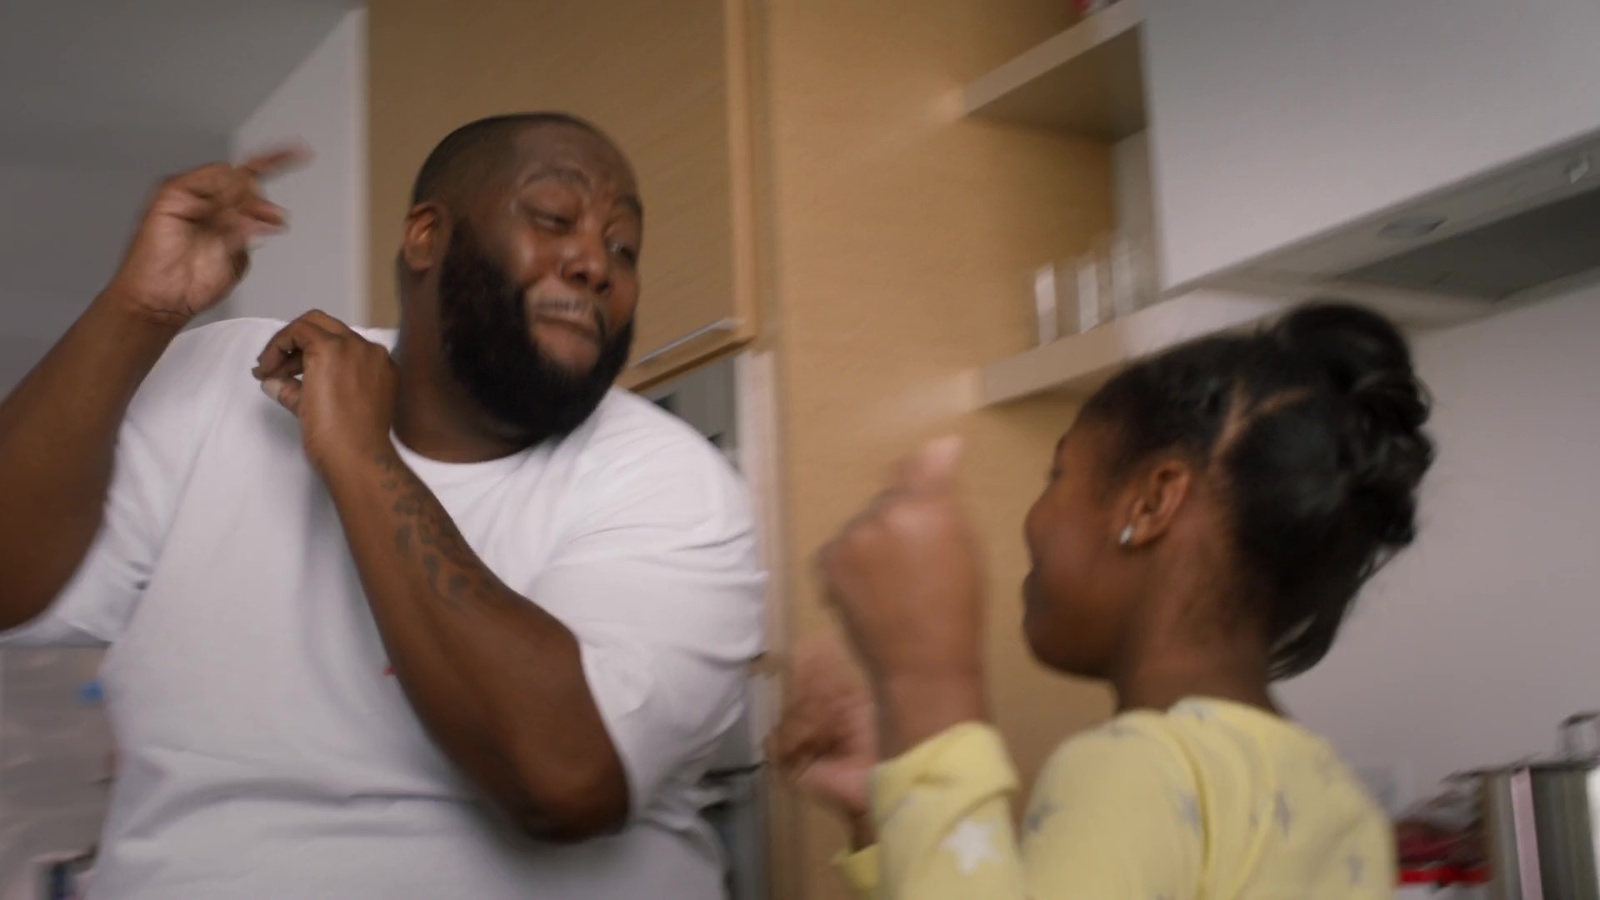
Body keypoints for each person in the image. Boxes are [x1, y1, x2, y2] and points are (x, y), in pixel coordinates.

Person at [0, 113, 764, 899]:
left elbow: (562, 782)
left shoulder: (669, 478)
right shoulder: (219, 386)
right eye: (554, 221)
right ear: (427, 237)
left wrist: (364, 459)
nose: (596, 264)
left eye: (624, 248)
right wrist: (140, 312)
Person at [773, 304, 1434, 898]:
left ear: (1150, 503)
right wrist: (882, 809)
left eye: (1057, 474)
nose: (1034, 516)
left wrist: (925, 683)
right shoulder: (1337, 798)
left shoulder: (1139, 770)